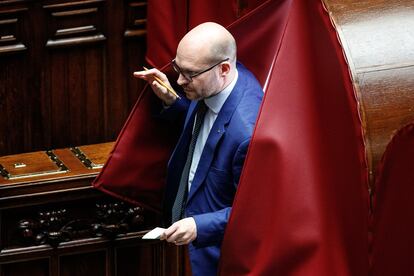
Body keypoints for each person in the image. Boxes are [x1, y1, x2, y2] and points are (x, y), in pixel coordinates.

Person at [134, 22, 263, 275]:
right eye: (177, 68)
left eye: (189, 74)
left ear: (224, 69)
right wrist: (173, 101)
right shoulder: (213, 84)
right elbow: (202, 130)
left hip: (213, 257)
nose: (180, 80)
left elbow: (258, 213)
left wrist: (199, 226)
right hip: (180, 244)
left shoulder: (248, 134)